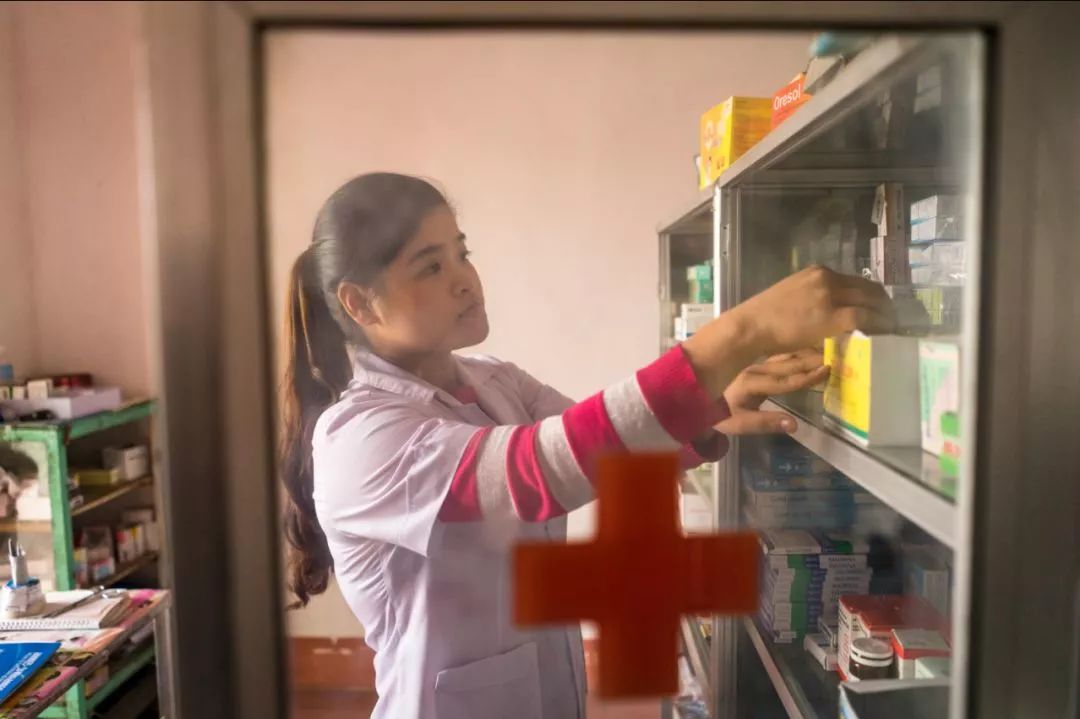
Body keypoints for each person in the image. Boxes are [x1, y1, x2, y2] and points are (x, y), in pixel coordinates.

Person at [280, 173, 893, 719]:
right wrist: (741, 332)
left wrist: (715, 403)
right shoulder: (358, 436)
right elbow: (537, 470)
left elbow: (608, 456)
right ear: (360, 303)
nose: (465, 280)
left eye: (461, 253)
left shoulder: (495, 379)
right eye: (430, 267)